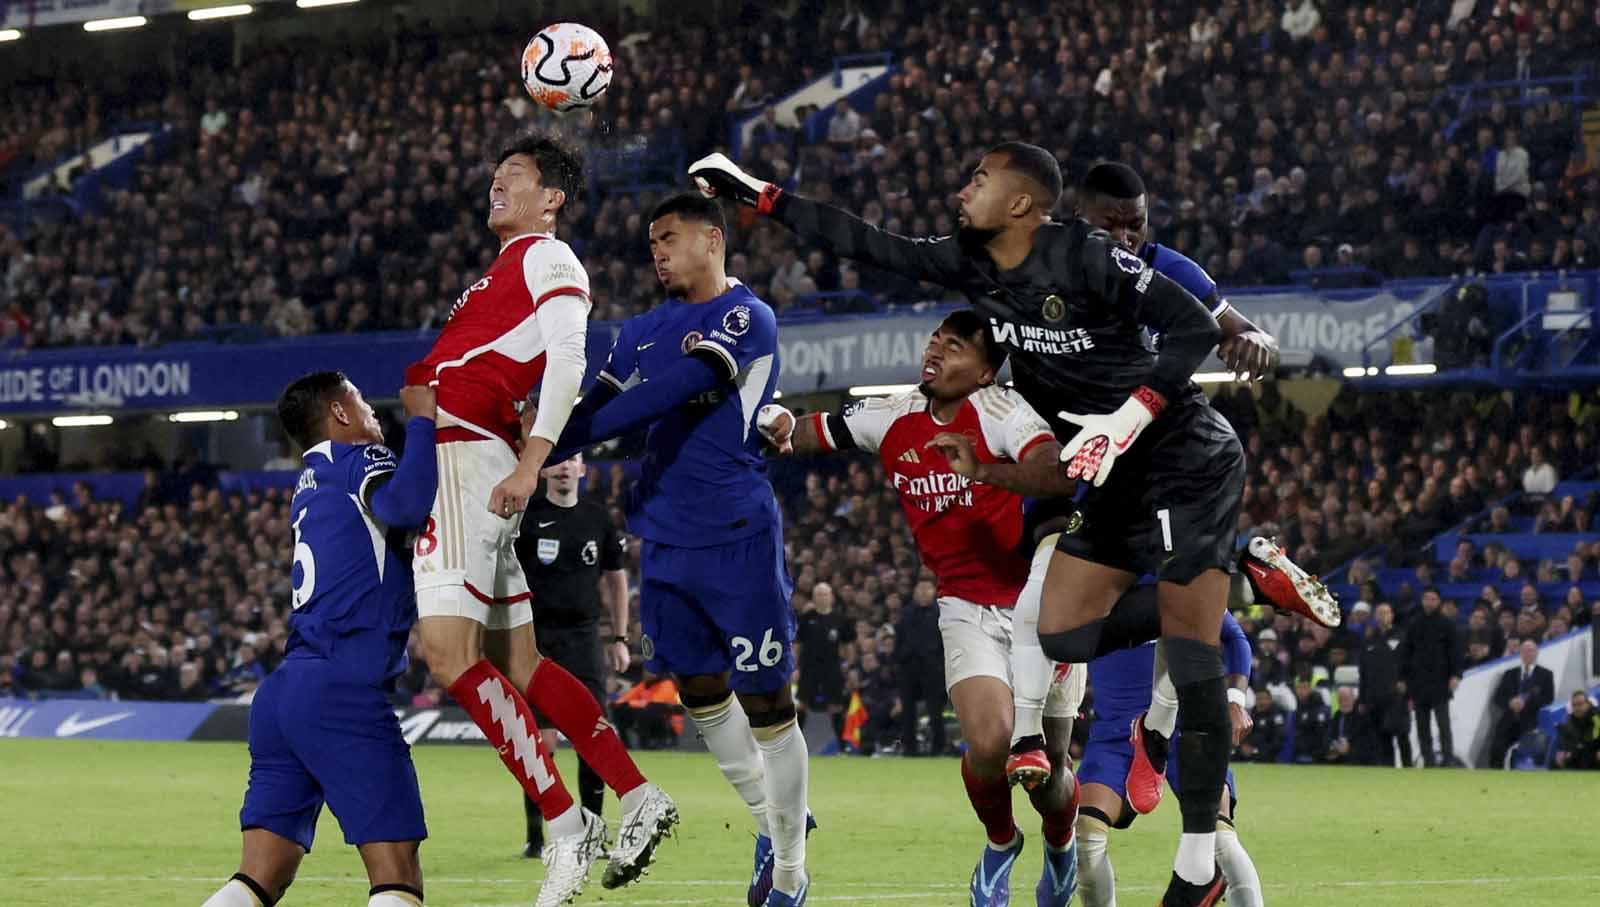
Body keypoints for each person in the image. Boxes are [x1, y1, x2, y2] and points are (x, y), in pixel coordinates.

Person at [692, 144, 1277, 903]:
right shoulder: (969, 263)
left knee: (1195, 658)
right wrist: (763, 198)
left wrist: (1127, 416)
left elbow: (1194, 329)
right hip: (1111, 477)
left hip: (1181, 455)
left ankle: (1198, 865)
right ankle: (1243, 582)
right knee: (1065, 631)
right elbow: (868, 242)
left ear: (1024, 204)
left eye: (980, 177)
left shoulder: (1087, 255)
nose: (963, 186)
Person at [404, 134, 675, 906]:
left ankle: (563, 822)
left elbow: (568, 360)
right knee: (520, 664)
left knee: (449, 658)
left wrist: (533, 459)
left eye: (512, 177)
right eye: (493, 175)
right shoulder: (503, 267)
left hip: (470, 466)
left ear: (550, 197)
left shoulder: (548, 259)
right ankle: (637, 793)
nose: (495, 184)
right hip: (470, 464)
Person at [760, 311, 1087, 906]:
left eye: (954, 345)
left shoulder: (1002, 413)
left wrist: (983, 469)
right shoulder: (894, 414)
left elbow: (1055, 473)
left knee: (1049, 774)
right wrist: (779, 422)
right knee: (989, 745)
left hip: (1043, 603)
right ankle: (1000, 842)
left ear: (986, 371)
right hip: (964, 605)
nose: (935, 350)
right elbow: (818, 430)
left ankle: (1060, 845)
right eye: (935, 339)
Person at [548, 193, 809, 907]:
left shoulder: (744, 316)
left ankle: (790, 868)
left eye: (668, 237)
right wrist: (536, 442)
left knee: (767, 699)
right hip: (661, 533)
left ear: (712, 239)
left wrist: (553, 443)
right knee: (699, 691)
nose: (656, 251)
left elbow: (671, 393)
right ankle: (772, 822)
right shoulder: (639, 330)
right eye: (651, 242)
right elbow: (594, 405)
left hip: (736, 534)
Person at [202, 372, 438, 907]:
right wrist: (423, 421)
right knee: (397, 877)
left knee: (258, 878)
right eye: (362, 401)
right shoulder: (362, 461)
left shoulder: (308, 483)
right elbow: (404, 508)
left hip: (285, 695)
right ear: (339, 413)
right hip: (345, 688)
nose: (376, 412)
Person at [1074, 613, 1265, 907]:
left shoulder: (1172, 574)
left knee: (1219, 840)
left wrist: (1236, 699)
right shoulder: (1087, 579)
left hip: (1186, 727)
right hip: (1115, 734)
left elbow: (1234, 637)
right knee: (1086, 834)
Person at [512, 453, 632, 859]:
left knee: (591, 736)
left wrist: (619, 637)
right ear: (545, 469)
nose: (565, 467)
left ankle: (592, 833)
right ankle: (535, 837)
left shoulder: (598, 519)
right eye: (558, 461)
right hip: (536, 639)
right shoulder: (528, 516)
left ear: (583, 470)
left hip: (583, 640)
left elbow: (617, 581)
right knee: (540, 743)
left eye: (573, 460)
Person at [1400, 587, 1463, 767]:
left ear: (1439, 601)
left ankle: (1447, 758)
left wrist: (1456, 675)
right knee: (1422, 725)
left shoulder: (1447, 625)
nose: (1429, 602)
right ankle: (1428, 759)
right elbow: (1406, 653)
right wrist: (1403, 678)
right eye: (1426, 598)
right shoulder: (1413, 624)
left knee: (1443, 723)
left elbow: (1455, 653)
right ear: (1422, 600)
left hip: (1441, 681)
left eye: (1433, 599)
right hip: (1418, 681)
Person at [1359, 602, 1413, 767]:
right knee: (1382, 737)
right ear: (1375, 617)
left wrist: (1407, 684)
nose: (1383, 616)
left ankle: (1408, 767)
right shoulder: (1368, 641)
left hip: (1396, 696)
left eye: (1386, 613)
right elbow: (1363, 673)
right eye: (1380, 613)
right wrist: (1362, 698)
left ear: (1392, 616)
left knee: (1402, 734)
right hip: (1375, 696)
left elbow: (1411, 665)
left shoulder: (1402, 637)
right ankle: (1387, 769)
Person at [1488, 639, 1555, 768]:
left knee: (1525, 757)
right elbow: (1498, 697)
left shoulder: (1546, 674)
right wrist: (1510, 703)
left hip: (1530, 722)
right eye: (1524, 651)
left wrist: (1526, 703)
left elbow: (1548, 698)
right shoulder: (1510, 673)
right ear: (1520, 653)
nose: (1528, 654)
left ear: (1537, 653)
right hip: (1508, 721)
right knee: (1496, 751)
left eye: (1531, 651)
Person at [794, 582, 848, 743]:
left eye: (825, 594)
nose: (822, 597)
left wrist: (847, 665)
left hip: (832, 667)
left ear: (831, 597)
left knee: (835, 706)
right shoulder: (805, 618)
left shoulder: (840, 618)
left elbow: (848, 645)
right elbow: (797, 643)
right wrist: (795, 667)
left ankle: (842, 745)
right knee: (802, 704)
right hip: (809, 667)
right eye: (818, 594)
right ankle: (796, 744)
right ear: (813, 597)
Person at [1553, 691, 1600, 770]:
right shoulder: (1570, 722)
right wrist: (1564, 752)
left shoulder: (1597, 718)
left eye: (1580, 704)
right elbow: (1566, 743)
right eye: (1574, 705)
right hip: (1579, 758)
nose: (1577, 708)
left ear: (1587, 704)